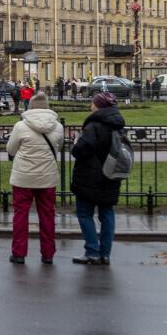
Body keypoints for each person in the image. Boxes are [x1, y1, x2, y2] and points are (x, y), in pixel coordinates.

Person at [70, 91, 127, 265]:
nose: (91, 105)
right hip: (111, 174)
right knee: (107, 213)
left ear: (99, 106)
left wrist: (75, 143)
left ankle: (92, 251)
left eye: (93, 103)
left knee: (85, 213)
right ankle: (105, 253)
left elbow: (81, 149)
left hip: (90, 176)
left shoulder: (94, 125)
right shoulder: (118, 125)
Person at [5, 92, 61, 265]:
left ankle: (19, 253)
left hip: (24, 176)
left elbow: (11, 149)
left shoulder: (21, 126)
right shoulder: (57, 127)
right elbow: (58, 148)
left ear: (30, 107)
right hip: (47, 176)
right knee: (47, 215)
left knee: (21, 215)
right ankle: (48, 254)